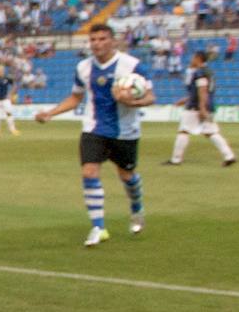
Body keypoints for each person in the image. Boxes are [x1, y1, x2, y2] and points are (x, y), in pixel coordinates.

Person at [34, 23, 155, 247]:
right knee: (89, 172)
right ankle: (98, 227)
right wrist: (50, 113)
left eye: (102, 39)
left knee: (127, 177)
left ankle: (136, 208)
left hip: (125, 132)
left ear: (112, 41)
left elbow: (150, 97)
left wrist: (133, 101)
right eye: (93, 40)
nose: (97, 44)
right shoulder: (83, 68)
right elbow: (75, 98)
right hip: (94, 129)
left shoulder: (132, 65)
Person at [164, 50, 236, 166]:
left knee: (184, 130)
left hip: (196, 107)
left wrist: (202, 108)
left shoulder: (200, 73)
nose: (192, 60)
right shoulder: (209, 72)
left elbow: (202, 91)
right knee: (211, 132)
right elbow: (203, 91)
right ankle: (229, 156)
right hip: (209, 105)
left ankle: (176, 159)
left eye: (193, 57)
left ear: (198, 58)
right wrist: (186, 99)